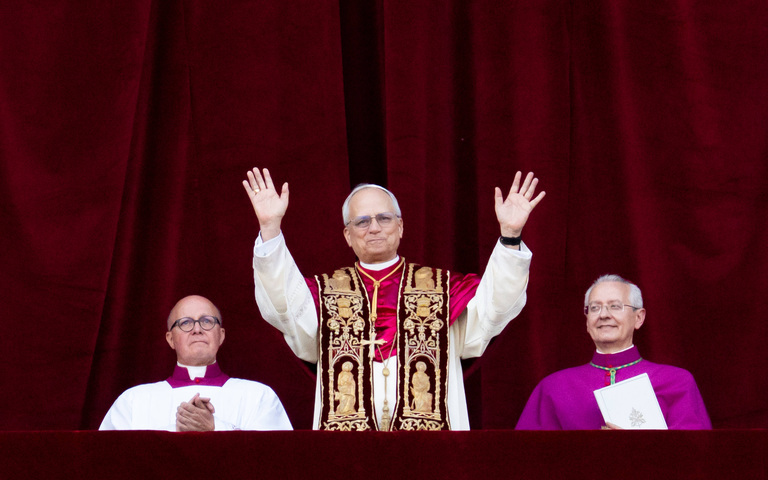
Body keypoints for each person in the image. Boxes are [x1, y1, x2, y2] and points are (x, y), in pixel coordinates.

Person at [243, 167, 545, 431]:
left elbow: (496, 306)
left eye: (383, 218)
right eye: (361, 222)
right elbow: (284, 306)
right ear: (347, 235)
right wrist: (270, 229)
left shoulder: (443, 290)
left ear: (400, 227)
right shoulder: (324, 294)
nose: (373, 227)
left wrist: (510, 235)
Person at [515, 274, 711, 430]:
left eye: (615, 306)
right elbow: (529, 459)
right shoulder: (553, 388)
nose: (604, 315)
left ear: (639, 318)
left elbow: (695, 457)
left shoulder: (677, 382)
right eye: (594, 308)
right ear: (587, 321)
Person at [99, 295, 292, 431]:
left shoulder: (259, 396)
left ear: (221, 335)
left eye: (207, 321)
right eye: (185, 323)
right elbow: (111, 462)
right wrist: (178, 428)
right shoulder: (133, 401)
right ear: (170, 339)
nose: (197, 329)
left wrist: (216, 428)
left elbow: (276, 459)